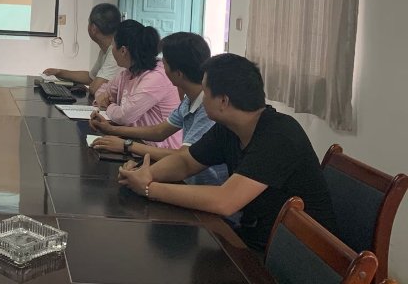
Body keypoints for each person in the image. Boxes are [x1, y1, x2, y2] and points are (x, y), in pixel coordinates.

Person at [117, 53, 336, 251]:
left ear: (223, 101)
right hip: (256, 236)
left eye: (205, 92)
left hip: (299, 254)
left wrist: (149, 188)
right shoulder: (229, 128)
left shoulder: (279, 135)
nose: (202, 98)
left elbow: (225, 201)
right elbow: (185, 162)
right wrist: (145, 173)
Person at [90, 32, 228, 185]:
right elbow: (159, 131)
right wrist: (111, 129)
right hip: (186, 179)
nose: (161, 66)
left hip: (202, 188)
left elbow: (183, 158)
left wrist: (127, 145)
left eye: (165, 63)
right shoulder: (189, 100)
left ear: (178, 74)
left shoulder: (208, 109)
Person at [91, 21, 182, 148]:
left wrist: (109, 105)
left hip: (160, 150)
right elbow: (102, 90)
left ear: (123, 50)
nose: (112, 50)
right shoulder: (128, 72)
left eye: (113, 46)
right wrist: (103, 99)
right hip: (136, 142)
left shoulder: (156, 77)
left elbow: (124, 116)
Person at [43, 3, 121, 94]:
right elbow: (91, 78)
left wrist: (89, 86)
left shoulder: (115, 53)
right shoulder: (105, 49)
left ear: (93, 28)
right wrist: (59, 72)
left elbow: (95, 88)